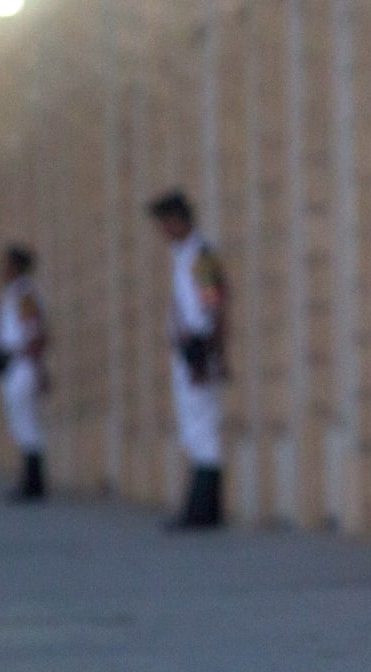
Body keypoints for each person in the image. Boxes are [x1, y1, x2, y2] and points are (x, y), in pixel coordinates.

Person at [148, 189, 228, 530]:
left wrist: (207, 354)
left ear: (181, 220)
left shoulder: (202, 256)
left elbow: (214, 306)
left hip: (199, 349)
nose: (163, 229)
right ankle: (201, 509)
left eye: (167, 222)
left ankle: (202, 510)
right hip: (187, 350)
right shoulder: (183, 256)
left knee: (203, 429)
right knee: (193, 429)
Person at [0, 244, 49, 501]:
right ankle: (29, 478)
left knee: (27, 422)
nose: (2, 269)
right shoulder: (13, 293)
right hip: (13, 363)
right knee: (19, 422)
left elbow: (35, 332)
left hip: (23, 363)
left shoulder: (25, 293)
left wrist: (38, 369)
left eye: (6, 263)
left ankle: (34, 481)